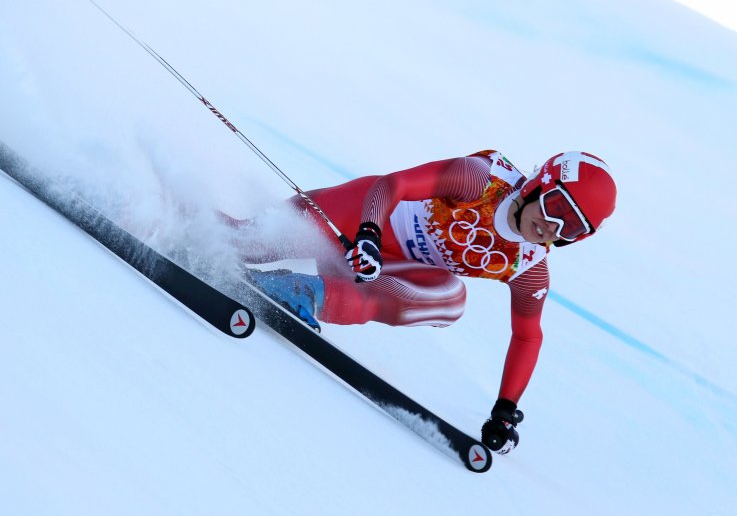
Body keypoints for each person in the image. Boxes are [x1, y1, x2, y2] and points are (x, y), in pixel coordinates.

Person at [226, 150, 617, 453]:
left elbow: (528, 336)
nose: (553, 226)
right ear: (539, 184)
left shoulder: (527, 266)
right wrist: (369, 234)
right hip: (353, 222)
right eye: (557, 208)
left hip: (377, 270)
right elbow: (392, 185)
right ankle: (175, 216)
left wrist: (504, 411)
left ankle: (301, 293)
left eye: (572, 227)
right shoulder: (481, 179)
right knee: (240, 244)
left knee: (451, 300)